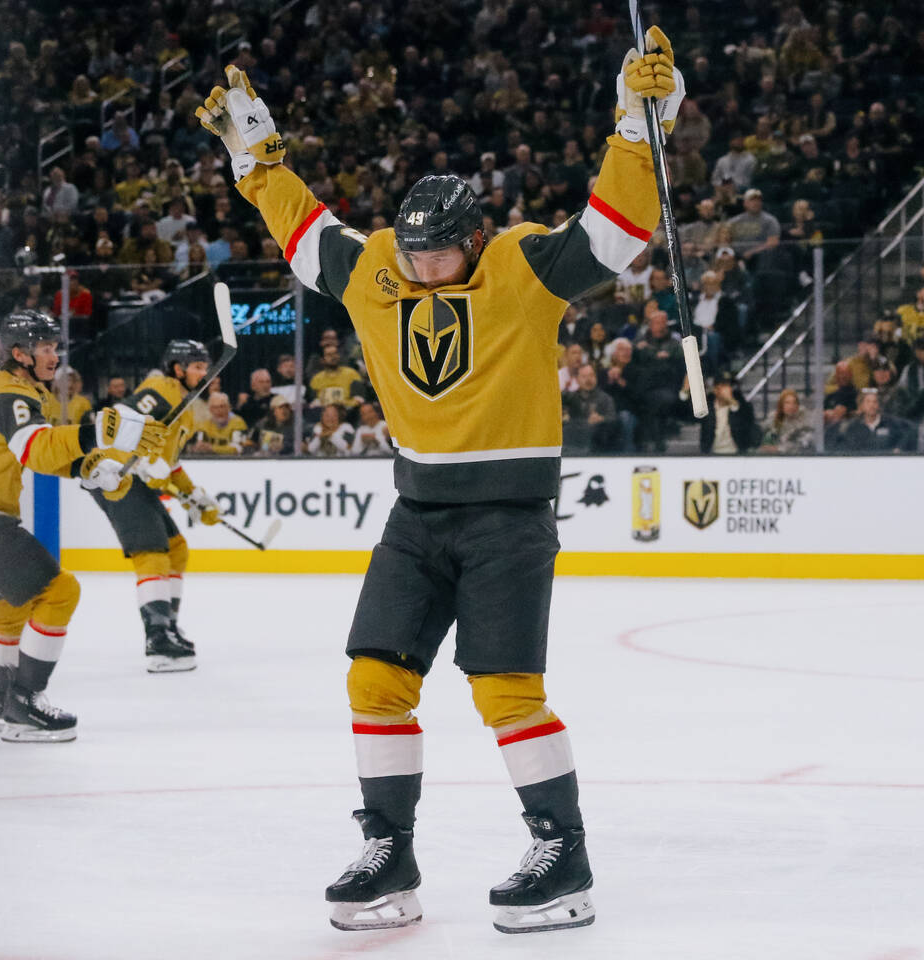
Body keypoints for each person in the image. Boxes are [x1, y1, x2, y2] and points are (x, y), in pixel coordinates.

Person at [197, 27, 684, 933]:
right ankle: (390, 851)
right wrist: (255, 158)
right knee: (374, 680)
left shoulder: (522, 269)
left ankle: (562, 852)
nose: (423, 271)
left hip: (507, 517)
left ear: (473, 239)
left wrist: (636, 124)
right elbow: (306, 232)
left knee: (505, 692)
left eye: (439, 257)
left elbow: (616, 234)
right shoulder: (376, 268)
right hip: (417, 515)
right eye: (414, 257)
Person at [0, 311, 166, 741]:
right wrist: (99, 434)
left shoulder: (24, 392)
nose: (56, 355)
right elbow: (33, 448)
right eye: (46, 348)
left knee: (9, 607)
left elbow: (48, 453)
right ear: (20, 354)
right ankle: (25, 703)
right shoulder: (6, 391)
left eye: (56, 347)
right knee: (60, 591)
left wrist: (91, 468)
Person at [89, 339, 223, 672]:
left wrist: (195, 496)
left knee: (176, 549)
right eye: (196, 367)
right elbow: (120, 417)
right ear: (177, 368)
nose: (203, 374)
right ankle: (158, 641)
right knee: (152, 553)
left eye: (205, 367)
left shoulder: (187, 409)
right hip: (115, 475)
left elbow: (170, 465)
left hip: (135, 479)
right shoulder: (162, 387)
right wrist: (139, 460)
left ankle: (168, 627)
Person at [699, 372, 759, 454]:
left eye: (730, 386)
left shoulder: (742, 405)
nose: (728, 389)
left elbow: (748, 422)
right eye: (724, 386)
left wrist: (732, 403)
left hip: (736, 454)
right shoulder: (707, 405)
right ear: (715, 389)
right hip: (712, 455)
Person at [760, 388, 813, 454]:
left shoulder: (805, 422)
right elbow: (762, 436)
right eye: (787, 403)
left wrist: (779, 449)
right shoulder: (773, 419)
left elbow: (804, 444)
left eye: (794, 403)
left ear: (798, 405)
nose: (791, 406)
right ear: (781, 405)